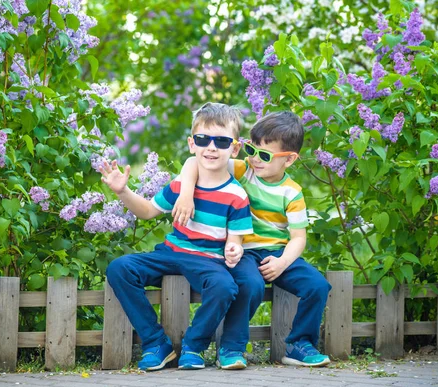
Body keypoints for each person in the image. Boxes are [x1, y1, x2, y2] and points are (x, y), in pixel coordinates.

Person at [173, 111, 332, 369]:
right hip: (243, 250)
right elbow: (195, 162)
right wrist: (187, 193)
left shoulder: (292, 193)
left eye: (265, 155)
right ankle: (231, 348)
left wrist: (282, 263)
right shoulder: (243, 169)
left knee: (317, 286)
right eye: (251, 149)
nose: (256, 159)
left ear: (289, 159)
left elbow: (298, 238)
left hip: (278, 253)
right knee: (250, 285)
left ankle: (299, 345)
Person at [101, 103, 253, 371]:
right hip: (171, 253)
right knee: (120, 268)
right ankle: (156, 343)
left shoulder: (237, 195)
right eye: (203, 139)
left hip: (208, 260)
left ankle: (194, 346)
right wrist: (123, 192)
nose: (212, 147)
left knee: (226, 287)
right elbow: (147, 211)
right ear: (192, 144)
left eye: (221, 141)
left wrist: (233, 249)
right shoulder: (180, 185)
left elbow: (235, 240)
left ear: (235, 148)